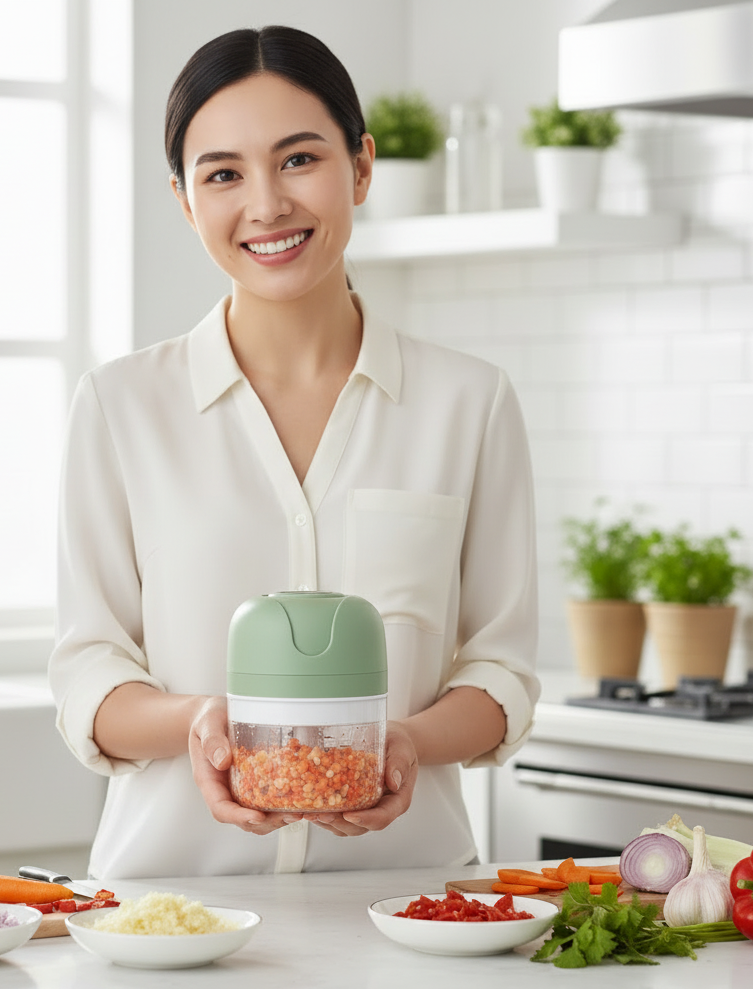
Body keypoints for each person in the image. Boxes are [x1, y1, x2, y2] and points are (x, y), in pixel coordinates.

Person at [49, 25, 539, 879]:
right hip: (170, 912)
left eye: (299, 159)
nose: (267, 204)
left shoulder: (471, 402)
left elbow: (502, 672)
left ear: (361, 167)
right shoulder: (120, 406)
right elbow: (89, 671)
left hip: (410, 908)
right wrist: (204, 721)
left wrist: (407, 742)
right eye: (224, 174)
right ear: (183, 199)